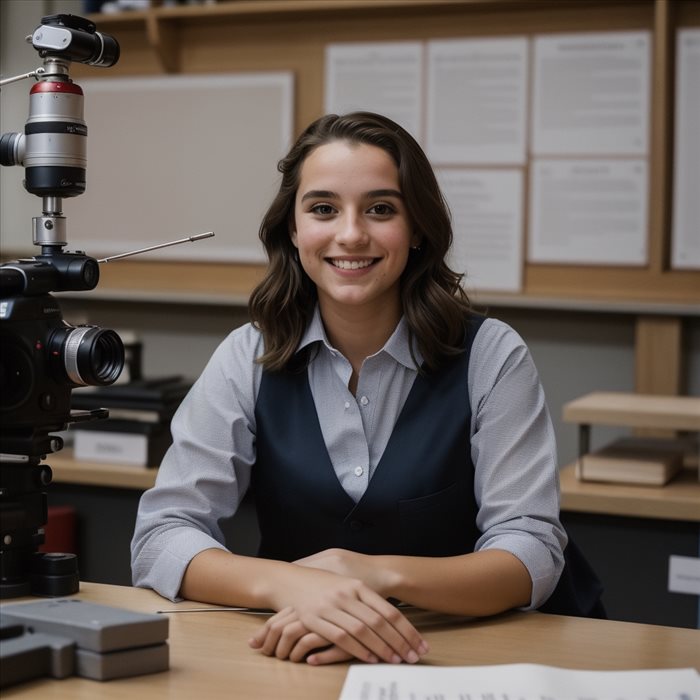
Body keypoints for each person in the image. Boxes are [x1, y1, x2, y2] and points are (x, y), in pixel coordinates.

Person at [131, 111, 602, 667]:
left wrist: (369, 574)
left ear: (418, 228)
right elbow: (161, 537)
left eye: (381, 209)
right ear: (294, 228)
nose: (351, 234)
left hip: (464, 655)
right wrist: (292, 588)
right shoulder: (247, 355)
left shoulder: (492, 355)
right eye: (323, 209)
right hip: (303, 651)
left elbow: (532, 551)